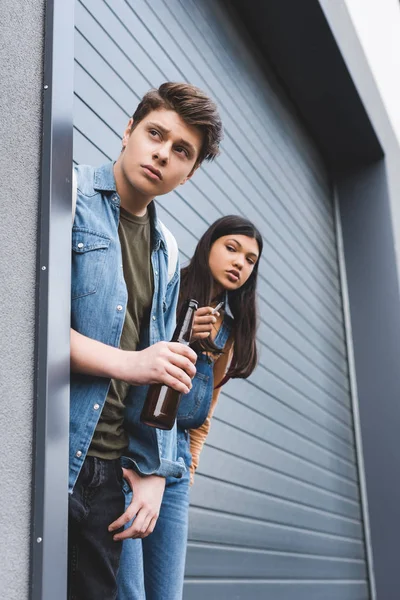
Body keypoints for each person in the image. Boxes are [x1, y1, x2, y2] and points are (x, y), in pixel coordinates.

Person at [68, 82, 223, 600]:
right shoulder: (67, 196)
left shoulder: (166, 248)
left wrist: (152, 471)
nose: (163, 153)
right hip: (55, 453)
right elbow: (25, 327)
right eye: (155, 134)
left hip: (110, 475)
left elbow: (160, 376)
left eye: (182, 150)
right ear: (129, 130)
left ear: (190, 171)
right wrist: (133, 363)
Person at [118, 215, 263, 599]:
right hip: (135, 451)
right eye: (231, 249)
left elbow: (204, 414)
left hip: (178, 462)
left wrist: (190, 467)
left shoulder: (227, 332)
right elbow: (129, 358)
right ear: (208, 246)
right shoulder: (167, 285)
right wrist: (179, 330)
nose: (239, 264)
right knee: (129, 591)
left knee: (166, 594)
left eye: (250, 260)